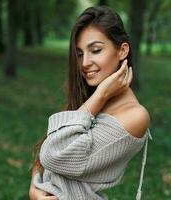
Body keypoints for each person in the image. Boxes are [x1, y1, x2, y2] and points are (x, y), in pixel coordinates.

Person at [29, 5, 153, 200]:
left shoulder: (134, 116)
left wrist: (101, 95)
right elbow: (48, 146)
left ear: (122, 51)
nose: (84, 63)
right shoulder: (90, 99)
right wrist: (35, 186)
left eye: (95, 50)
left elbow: (53, 154)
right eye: (79, 54)